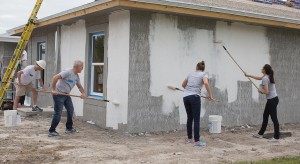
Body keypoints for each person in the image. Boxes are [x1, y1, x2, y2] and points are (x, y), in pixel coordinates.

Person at [48, 60, 87, 137]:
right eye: (81, 67)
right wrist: (53, 89)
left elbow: (79, 86)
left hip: (66, 95)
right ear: (77, 66)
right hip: (58, 94)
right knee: (58, 113)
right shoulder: (68, 72)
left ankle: (69, 128)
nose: (82, 68)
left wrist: (83, 93)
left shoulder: (76, 76)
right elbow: (55, 77)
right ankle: (52, 131)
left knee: (70, 110)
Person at [245, 64, 280, 142]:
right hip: (273, 99)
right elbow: (259, 78)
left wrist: (260, 91)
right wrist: (249, 75)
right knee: (265, 116)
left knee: (274, 118)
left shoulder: (265, 78)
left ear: (264, 70)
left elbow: (266, 91)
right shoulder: (267, 75)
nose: (261, 69)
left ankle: (276, 137)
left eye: (262, 68)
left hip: (272, 100)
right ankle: (260, 134)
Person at [182, 61, 213, 147]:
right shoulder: (204, 74)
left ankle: (189, 139)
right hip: (194, 97)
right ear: (203, 69)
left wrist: (189, 90)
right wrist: (210, 95)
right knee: (196, 120)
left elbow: (183, 85)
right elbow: (206, 83)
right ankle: (197, 142)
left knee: (190, 118)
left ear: (196, 67)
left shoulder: (191, 73)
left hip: (186, 97)